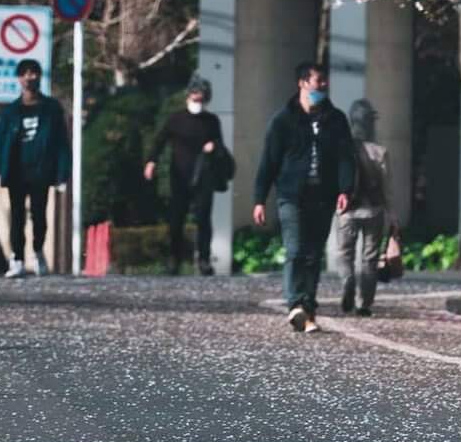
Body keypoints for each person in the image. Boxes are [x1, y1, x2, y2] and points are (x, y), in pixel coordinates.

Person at [253, 60, 355, 334]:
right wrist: (259, 199)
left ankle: (308, 309)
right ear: (302, 83)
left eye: (324, 81)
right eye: (317, 81)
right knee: (296, 250)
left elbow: (346, 158)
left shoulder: (335, 120)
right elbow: (268, 162)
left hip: (323, 196)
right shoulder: (283, 120)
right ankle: (295, 304)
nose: (322, 86)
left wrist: (346, 189)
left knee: (313, 255)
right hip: (291, 195)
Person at [0, 57, 72, 278]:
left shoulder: (51, 109)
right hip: (16, 170)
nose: (29, 77)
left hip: (41, 169)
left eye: (33, 73)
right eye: (25, 74)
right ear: (19, 79)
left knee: (39, 215)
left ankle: (38, 251)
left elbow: (61, 142)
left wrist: (62, 173)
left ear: (40, 76)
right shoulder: (11, 112)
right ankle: (18, 259)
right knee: (17, 216)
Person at [144, 73, 228, 275]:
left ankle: (204, 260)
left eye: (202, 98)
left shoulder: (211, 121)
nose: (198, 101)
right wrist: (151, 161)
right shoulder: (176, 119)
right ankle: (174, 259)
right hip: (179, 175)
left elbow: (221, 147)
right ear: (188, 96)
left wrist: (213, 146)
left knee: (204, 219)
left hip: (204, 176)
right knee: (176, 219)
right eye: (195, 97)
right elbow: (160, 140)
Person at [336, 98, 392, 316]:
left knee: (344, 253)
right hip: (374, 210)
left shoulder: (343, 148)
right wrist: (392, 214)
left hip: (347, 210)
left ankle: (347, 278)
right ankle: (364, 303)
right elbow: (387, 188)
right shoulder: (380, 151)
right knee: (369, 258)